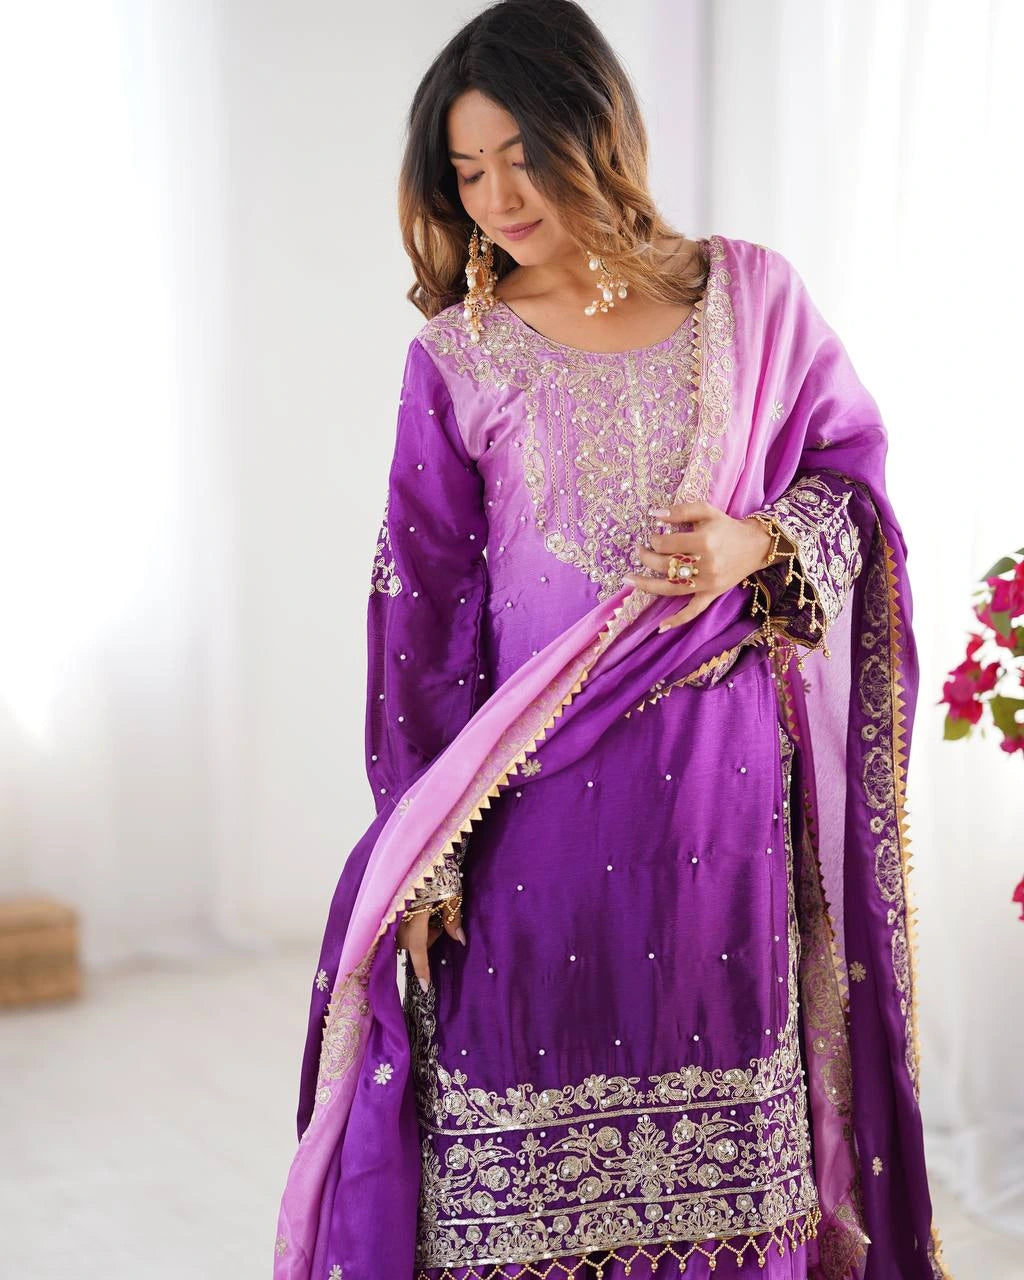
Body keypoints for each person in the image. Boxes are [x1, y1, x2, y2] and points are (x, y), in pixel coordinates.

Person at [273, 3, 953, 1277]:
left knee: (728, 1147)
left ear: (591, 128)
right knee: (513, 1124)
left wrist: (755, 543)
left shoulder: (749, 296)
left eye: (515, 156)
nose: (494, 197)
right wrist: (422, 846)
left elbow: (851, 482)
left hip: (721, 804)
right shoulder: (460, 357)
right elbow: (421, 613)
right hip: (529, 811)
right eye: (465, 173)